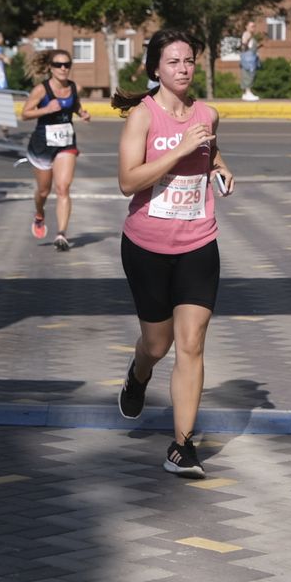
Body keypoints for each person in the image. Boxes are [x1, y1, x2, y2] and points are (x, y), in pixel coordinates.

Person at [112, 29, 234, 479]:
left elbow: (211, 153)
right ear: (155, 70)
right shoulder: (143, 118)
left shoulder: (207, 114)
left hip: (199, 243)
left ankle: (182, 446)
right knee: (159, 344)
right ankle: (139, 372)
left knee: (192, 344)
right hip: (146, 246)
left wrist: (221, 169)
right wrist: (180, 149)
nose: (182, 69)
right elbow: (128, 181)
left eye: (188, 61)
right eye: (173, 62)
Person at [21, 49, 91, 251]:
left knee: (63, 188)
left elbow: (75, 105)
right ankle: (40, 214)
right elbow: (25, 114)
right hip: (42, 145)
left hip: (66, 143)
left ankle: (61, 234)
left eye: (67, 65)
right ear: (50, 68)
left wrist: (82, 113)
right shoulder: (41, 90)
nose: (63, 68)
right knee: (44, 190)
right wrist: (46, 109)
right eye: (58, 65)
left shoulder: (75, 87)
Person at [238, 20, 260, 102]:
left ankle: (248, 92)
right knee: (248, 75)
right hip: (248, 59)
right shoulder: (247, 34)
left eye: (254, 26)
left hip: (251, 59)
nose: (253, 28)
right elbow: (243, 44)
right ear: (246, 27)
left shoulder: (251, 35)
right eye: (251, 26)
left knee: (251, 75)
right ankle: (247, 92)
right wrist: (246, 43)